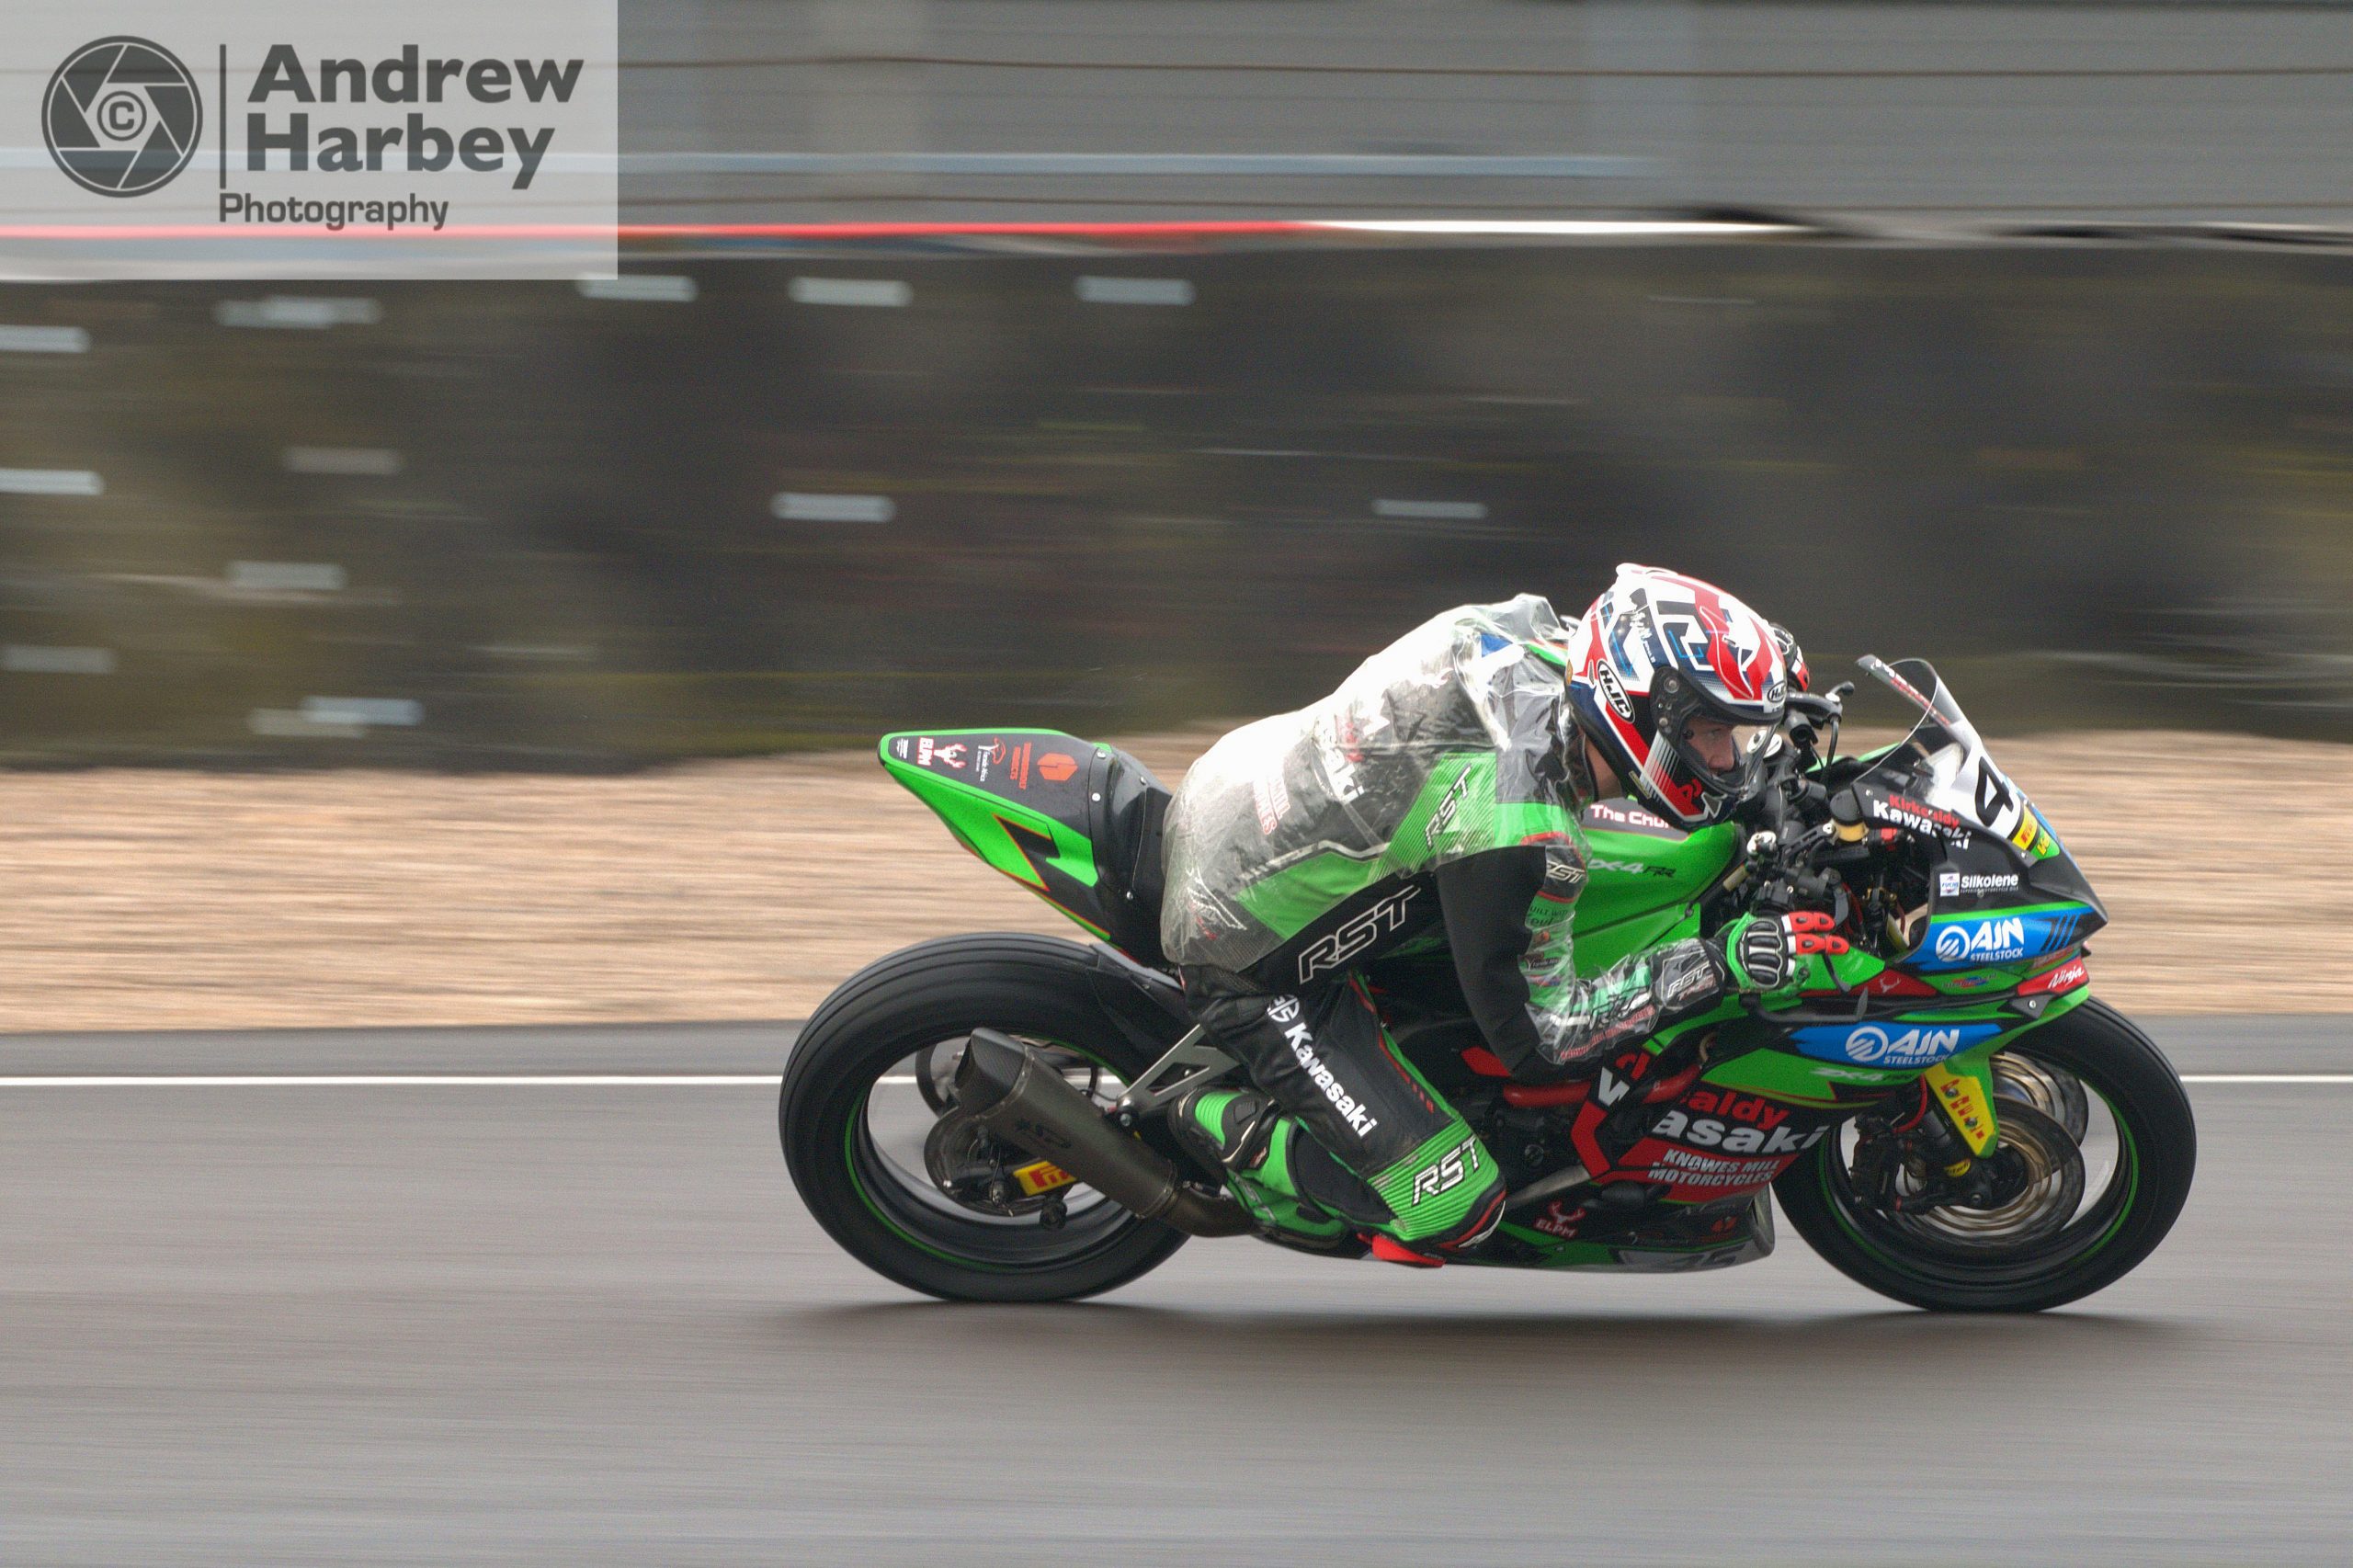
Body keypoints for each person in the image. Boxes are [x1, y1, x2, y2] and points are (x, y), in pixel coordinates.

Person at [1158, 563, 1836, 1265]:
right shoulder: (1524, 835)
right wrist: (1717, 964)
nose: (1728, 759)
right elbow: (1543, 1041)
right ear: (1641, 715)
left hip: (1240, 783)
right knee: (1458, 1206)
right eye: (1711, 733)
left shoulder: (1538, 635)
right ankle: (1237, 1134)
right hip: (1242, 944)